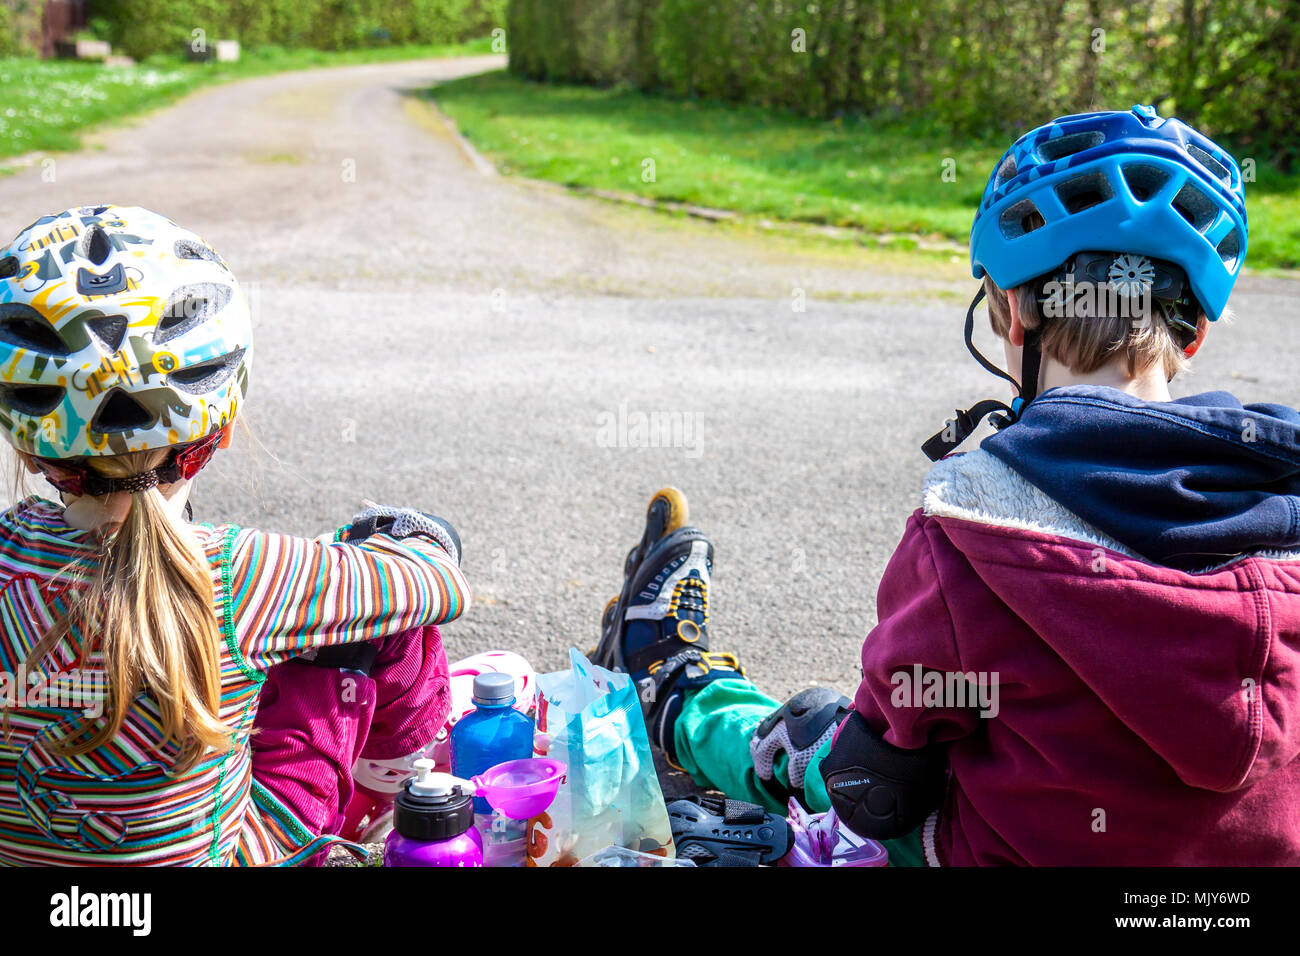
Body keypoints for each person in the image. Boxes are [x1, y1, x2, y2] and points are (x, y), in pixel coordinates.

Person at [598, 106, 1300, 865]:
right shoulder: (1282, 512)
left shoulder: (973, 530)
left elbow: (879, 773)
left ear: (1012, 314)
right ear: (1192, 337)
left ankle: (672, 687)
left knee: (830, 750)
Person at [0, 205, 468, 865]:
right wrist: (413, 536)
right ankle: (396, 787)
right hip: (247, 852)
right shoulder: (249, 574)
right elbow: (441, 587)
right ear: (218, 431)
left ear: (28, 451)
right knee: (376, 596)